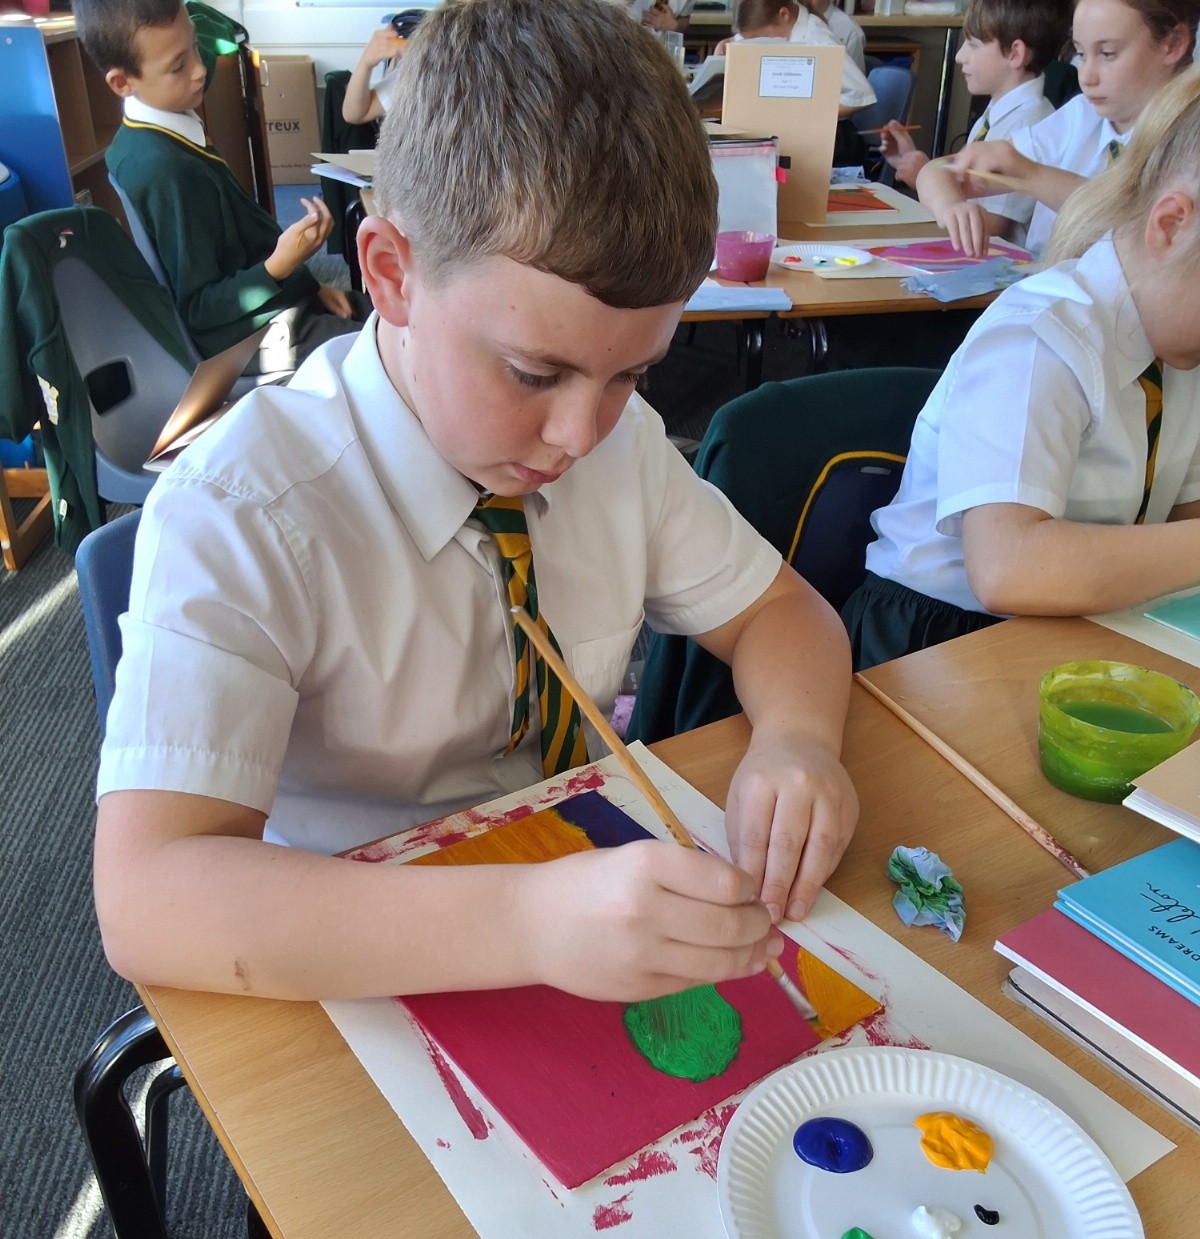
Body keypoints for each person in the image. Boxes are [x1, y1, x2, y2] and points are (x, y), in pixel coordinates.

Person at [92, 0, 859, 1005]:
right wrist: (525, 921)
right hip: (351, 958)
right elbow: (148, 898)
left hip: (583, 910)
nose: (581, 434)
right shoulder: (246, 508)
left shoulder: (619, 445)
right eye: (534, 373)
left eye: (632, 375)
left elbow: (780, 611)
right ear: (391, 274)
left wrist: (798, 739)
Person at [840, 66, 1200, 673]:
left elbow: (1181, 523)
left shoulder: (1181, 353)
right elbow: (1008, 568)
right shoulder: (1041, 338)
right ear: (1170, 226)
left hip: (1077, 625)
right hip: (937, 642)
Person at [75, 0, 369, 367]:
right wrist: (282, 263)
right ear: (122, 83)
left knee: (392, 317)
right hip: (248, 337)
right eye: (178, 66)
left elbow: (236, 250)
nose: (199, 69)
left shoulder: (146, 136)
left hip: (272, 302)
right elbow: (200, 310)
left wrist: (308, 283)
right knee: (395, 348)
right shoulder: (168, 170)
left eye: (195, 46)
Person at [919, 0, 1198, 259]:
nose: (1086, 77)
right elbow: (936, 171)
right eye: (1081, 54)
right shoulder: (1081, 116)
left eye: (1107, 54)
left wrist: (1030, 174)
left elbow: (1129, 225)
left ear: (1173, 44)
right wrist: (951, 205)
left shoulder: (1187, 139)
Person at [880, 0, 1067, 250]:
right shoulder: (999, 110)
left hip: (997, 259)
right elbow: (964, 186)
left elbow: (994, 227)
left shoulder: (1028, 123)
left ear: (1015, 53)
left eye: (973, 44)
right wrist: (918, 168)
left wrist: (923, 177)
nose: (960, 56)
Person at [716, 0, 876, 116]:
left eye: (763, 37)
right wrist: (726, 42)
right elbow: (744, 38)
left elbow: (861, 94)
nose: (758, 44)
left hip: (827, 135)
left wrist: (805, 111)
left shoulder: (818, 39)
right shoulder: (778, 25)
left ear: (784, 15)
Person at [342, 10, 427, 124]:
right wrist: (366, 63)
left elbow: (354, 115)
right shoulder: (410, 72)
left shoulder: (429, 69)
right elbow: (354, 114)